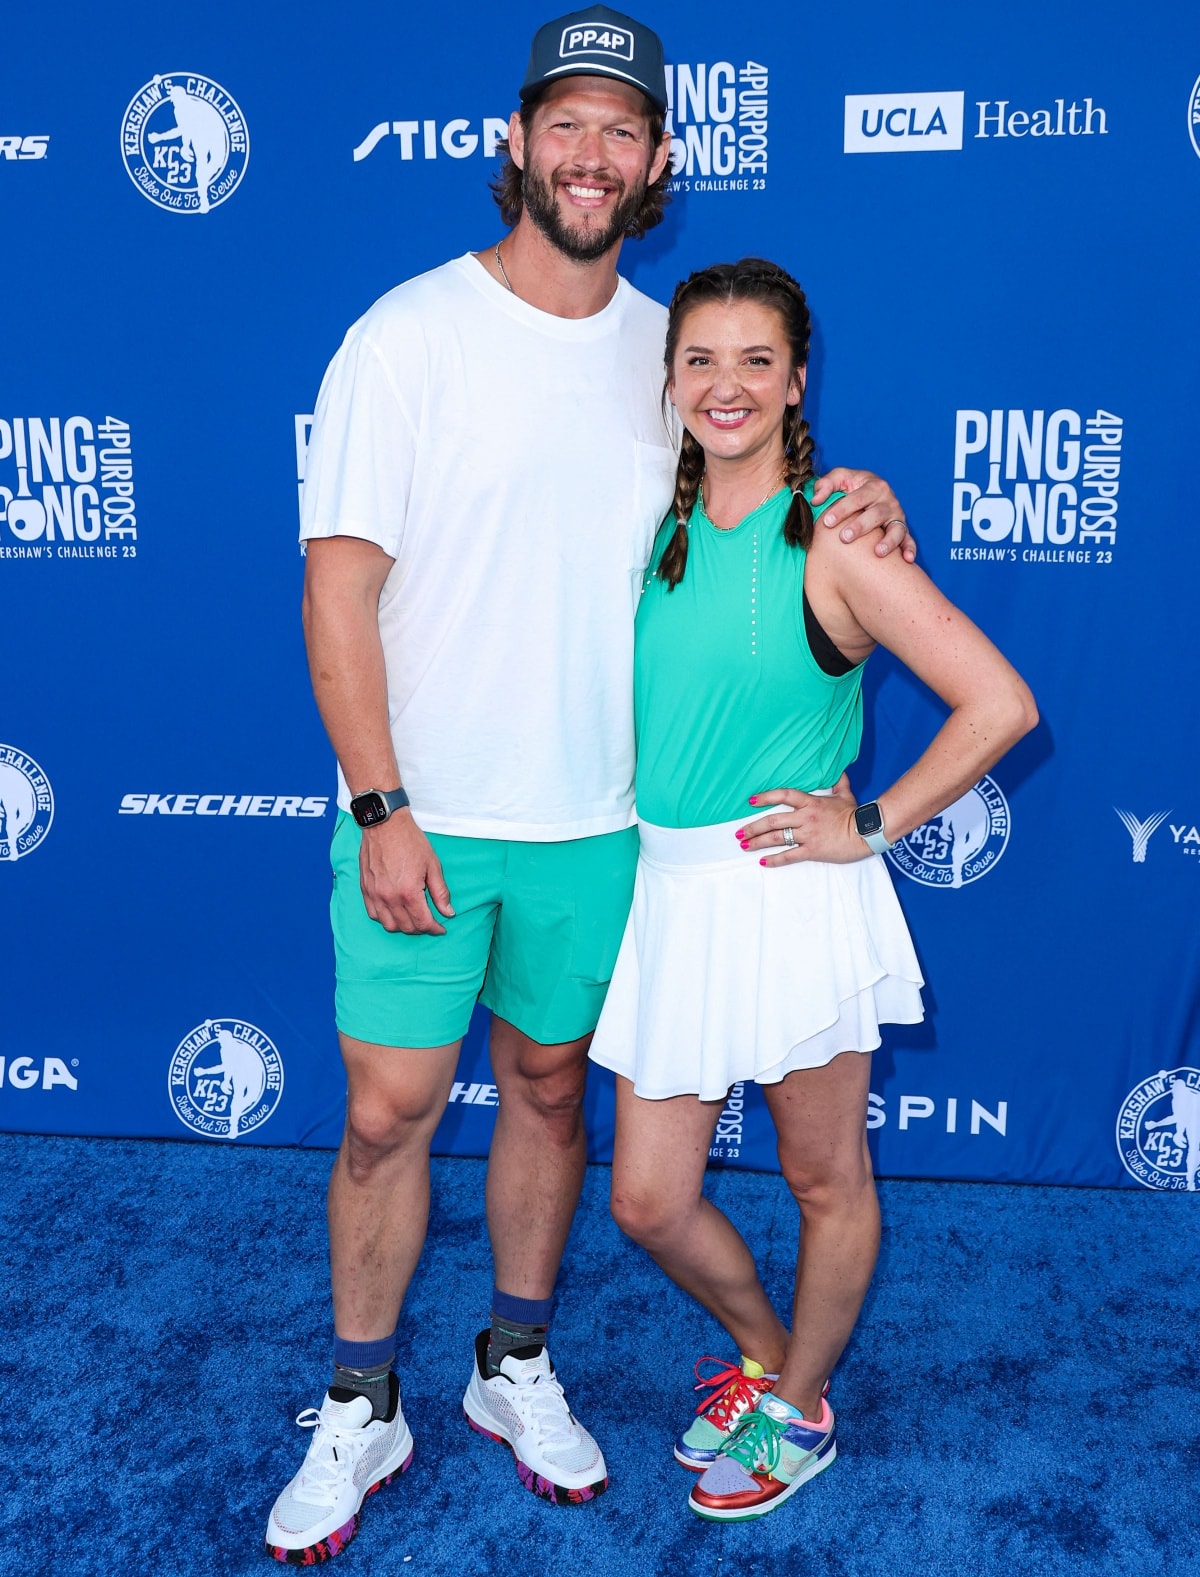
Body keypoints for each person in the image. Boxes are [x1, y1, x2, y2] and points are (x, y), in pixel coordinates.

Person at [266, 10, 915, 1562]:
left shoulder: (665, 352)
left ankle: (515, 1361)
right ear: (515, 142)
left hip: (606, 829)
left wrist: (858, 499)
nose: (590, 153)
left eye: (621, 129)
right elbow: (336, 592)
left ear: (658, 164)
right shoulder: (404, 336)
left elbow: (763, 489)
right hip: (423, 811)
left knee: (555, 1092)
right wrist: (380, 806)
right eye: (566, 123)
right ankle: (363, 1398)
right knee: (386, 1109)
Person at [589, 257, 1037, 1523]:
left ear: (796, 381)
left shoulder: (834, 537)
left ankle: (802, 1407)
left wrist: (873, 822)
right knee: (648, 1197)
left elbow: (1000, 702)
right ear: (671, 380)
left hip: (789, 892)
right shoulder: (660, 524)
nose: (724, 385)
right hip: (672, 899)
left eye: (754, 361)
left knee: (825, 1178)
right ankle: (772, 1358)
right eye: (700, 359)